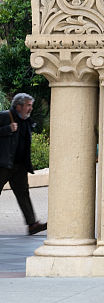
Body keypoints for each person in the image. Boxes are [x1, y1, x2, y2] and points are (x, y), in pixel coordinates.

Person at [0, 93, 45, 235]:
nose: (31, 108)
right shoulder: (5, 116)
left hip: (19, 166)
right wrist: (7, 129)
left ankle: (32, 224)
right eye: (28, 105)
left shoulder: (26, 121)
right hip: (3, 165)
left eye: (31, 105)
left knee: (23, 194)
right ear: (18, 106)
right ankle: (32, 224)